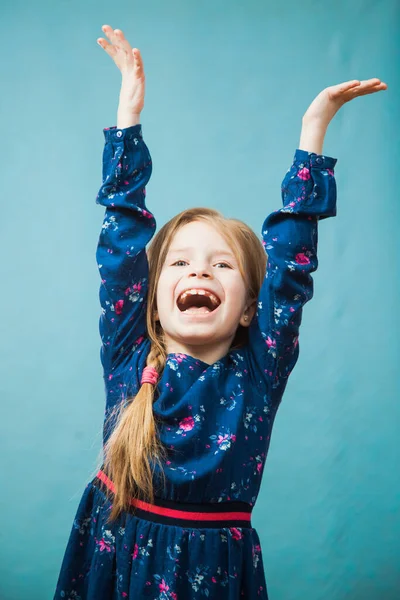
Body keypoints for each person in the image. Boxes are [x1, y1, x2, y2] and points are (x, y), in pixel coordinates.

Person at [54, 23, 387, 600]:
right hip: (113, 553)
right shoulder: (131, 355)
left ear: (249, 311)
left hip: (212, 567)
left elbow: (289, 270)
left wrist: (314, 131)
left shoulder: (258, 373)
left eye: (221, 265)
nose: (199, 272)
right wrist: (128, 116)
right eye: (179, 264)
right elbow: (123, 244)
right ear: (150, 300)